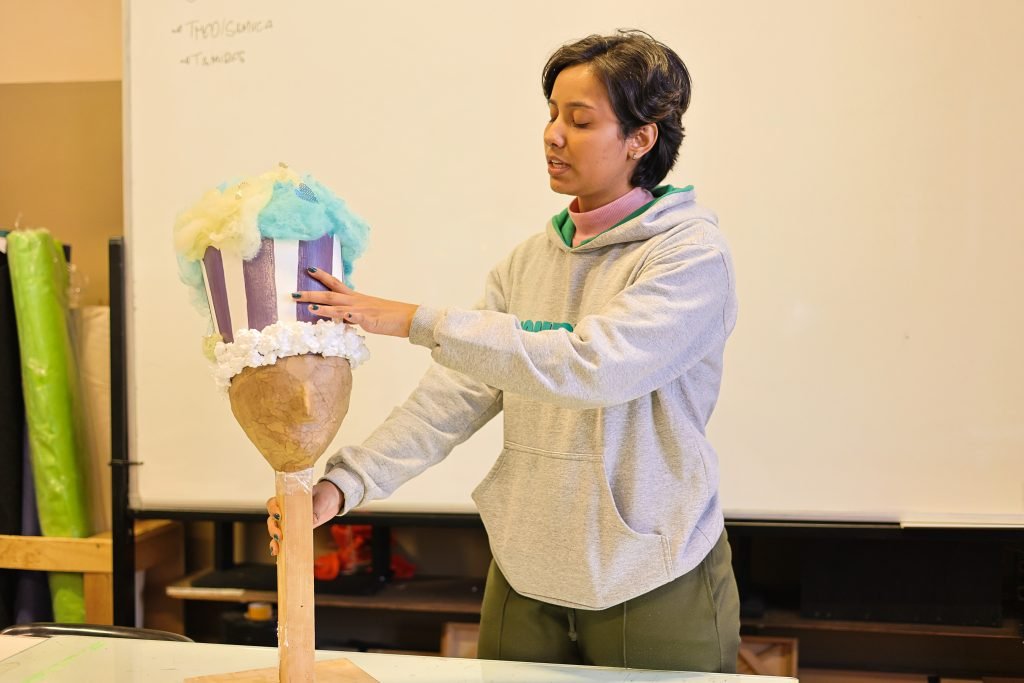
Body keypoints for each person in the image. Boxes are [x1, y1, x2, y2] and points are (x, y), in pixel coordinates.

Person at [267, 30, 740, 672]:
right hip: (525, 570)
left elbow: (593, 365)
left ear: (641, 138)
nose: (552, 135)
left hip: (651, 570)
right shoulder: (528, 262)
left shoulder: (687, 256)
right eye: (551, 115)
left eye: (579, 120)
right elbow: (452, 399)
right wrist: (345, 484)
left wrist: (414, 320)